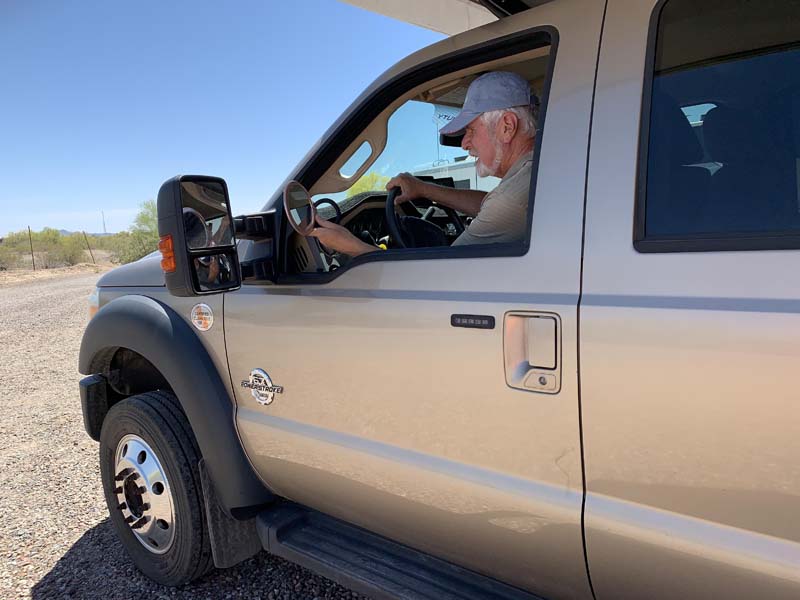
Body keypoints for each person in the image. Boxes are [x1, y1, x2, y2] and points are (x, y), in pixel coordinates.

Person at [310, 71, 538, 256]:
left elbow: (441, 276)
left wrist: (351, 246)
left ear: (507, 127)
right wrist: (423, 188)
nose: (464, 143)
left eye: (470, 130)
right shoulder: (530, 175)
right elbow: (488, 204)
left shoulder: (515, 198)